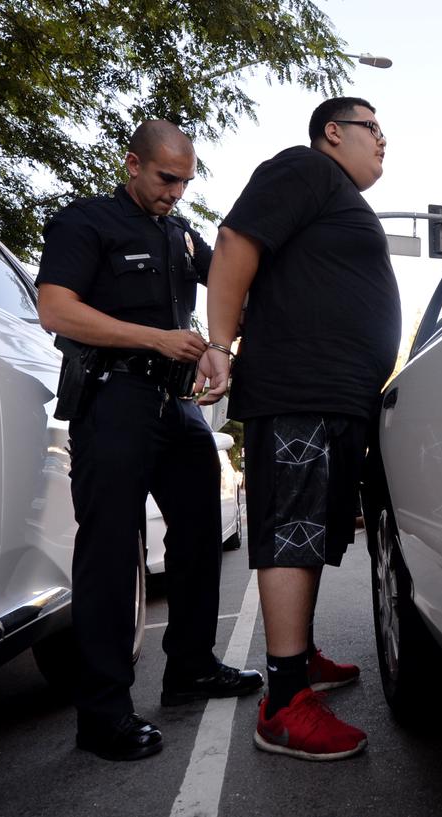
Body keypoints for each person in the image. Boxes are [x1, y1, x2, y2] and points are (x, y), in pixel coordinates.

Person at [36, 120, 264, 761]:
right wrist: (157, 339)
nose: (175, 193)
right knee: (111, 549)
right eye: (167, 179)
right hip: (112, 398)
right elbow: (55, 308)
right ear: (132, 163)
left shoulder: (180, 236)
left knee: (200, 532)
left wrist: (216, 351)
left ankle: (190, 668)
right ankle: (102, 715)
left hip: (175, 403)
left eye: (186, 182)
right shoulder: (87, 222)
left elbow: (225, 292)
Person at [198, 97, 400, 761]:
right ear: (332, 133)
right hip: (299, 389)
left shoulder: (333, 194)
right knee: (292, 528)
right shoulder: (304, 169)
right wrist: (219, 345)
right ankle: (283, 703)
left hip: (333, 394)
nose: (385, 141)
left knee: (313, 528)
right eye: (374, 128)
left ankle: (300, 655)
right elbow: (234, 241)